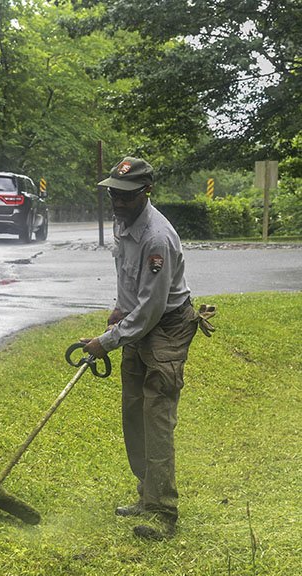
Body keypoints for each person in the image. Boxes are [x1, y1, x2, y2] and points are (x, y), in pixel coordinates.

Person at [82, 156, 214, 541]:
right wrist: (119, 311)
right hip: (137, 322)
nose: (118, 203)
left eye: (126, 196)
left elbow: (154, 307)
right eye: (113, 195)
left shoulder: (157, 237)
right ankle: (147, 492)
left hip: (166, 328)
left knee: (156, 416)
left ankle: (162, 511)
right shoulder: (124, 224)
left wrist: (107, 341)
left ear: (146, 192)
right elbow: (133, 286)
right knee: (134, 411)